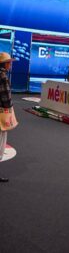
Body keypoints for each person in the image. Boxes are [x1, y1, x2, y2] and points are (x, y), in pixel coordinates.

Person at [0, 51, 14, 182]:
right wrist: (9, 109)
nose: (10, 65)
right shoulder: (3, 76)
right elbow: (6, 98)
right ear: (5, 64)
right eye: (9, 63)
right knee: (0, 142)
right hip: (1, 114)